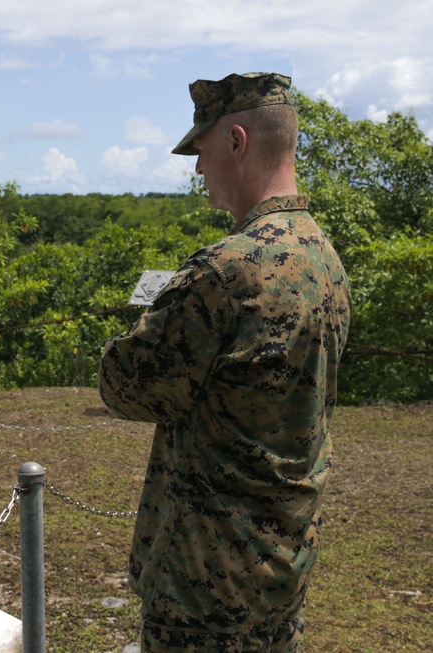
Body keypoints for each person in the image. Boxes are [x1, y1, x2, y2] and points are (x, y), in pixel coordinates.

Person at [98, 72, 352, 652]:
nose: (196, 169)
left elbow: (124, 384)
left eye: (201, 149)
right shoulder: (323, 259)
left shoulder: (226, 272)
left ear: (237, 142)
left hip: (203, 584)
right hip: (283, 564)